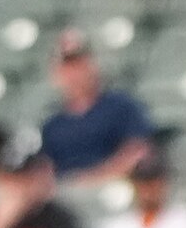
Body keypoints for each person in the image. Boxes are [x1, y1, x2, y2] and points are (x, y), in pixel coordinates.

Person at [37, 29, 154, 181]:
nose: (73, 73)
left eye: (78, 63)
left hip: (115, 192)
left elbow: (138, 152)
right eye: (67, 66)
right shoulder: (51, 125)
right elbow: (46, 172)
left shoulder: (121, 106)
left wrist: (94, 180)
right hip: (66, 197)